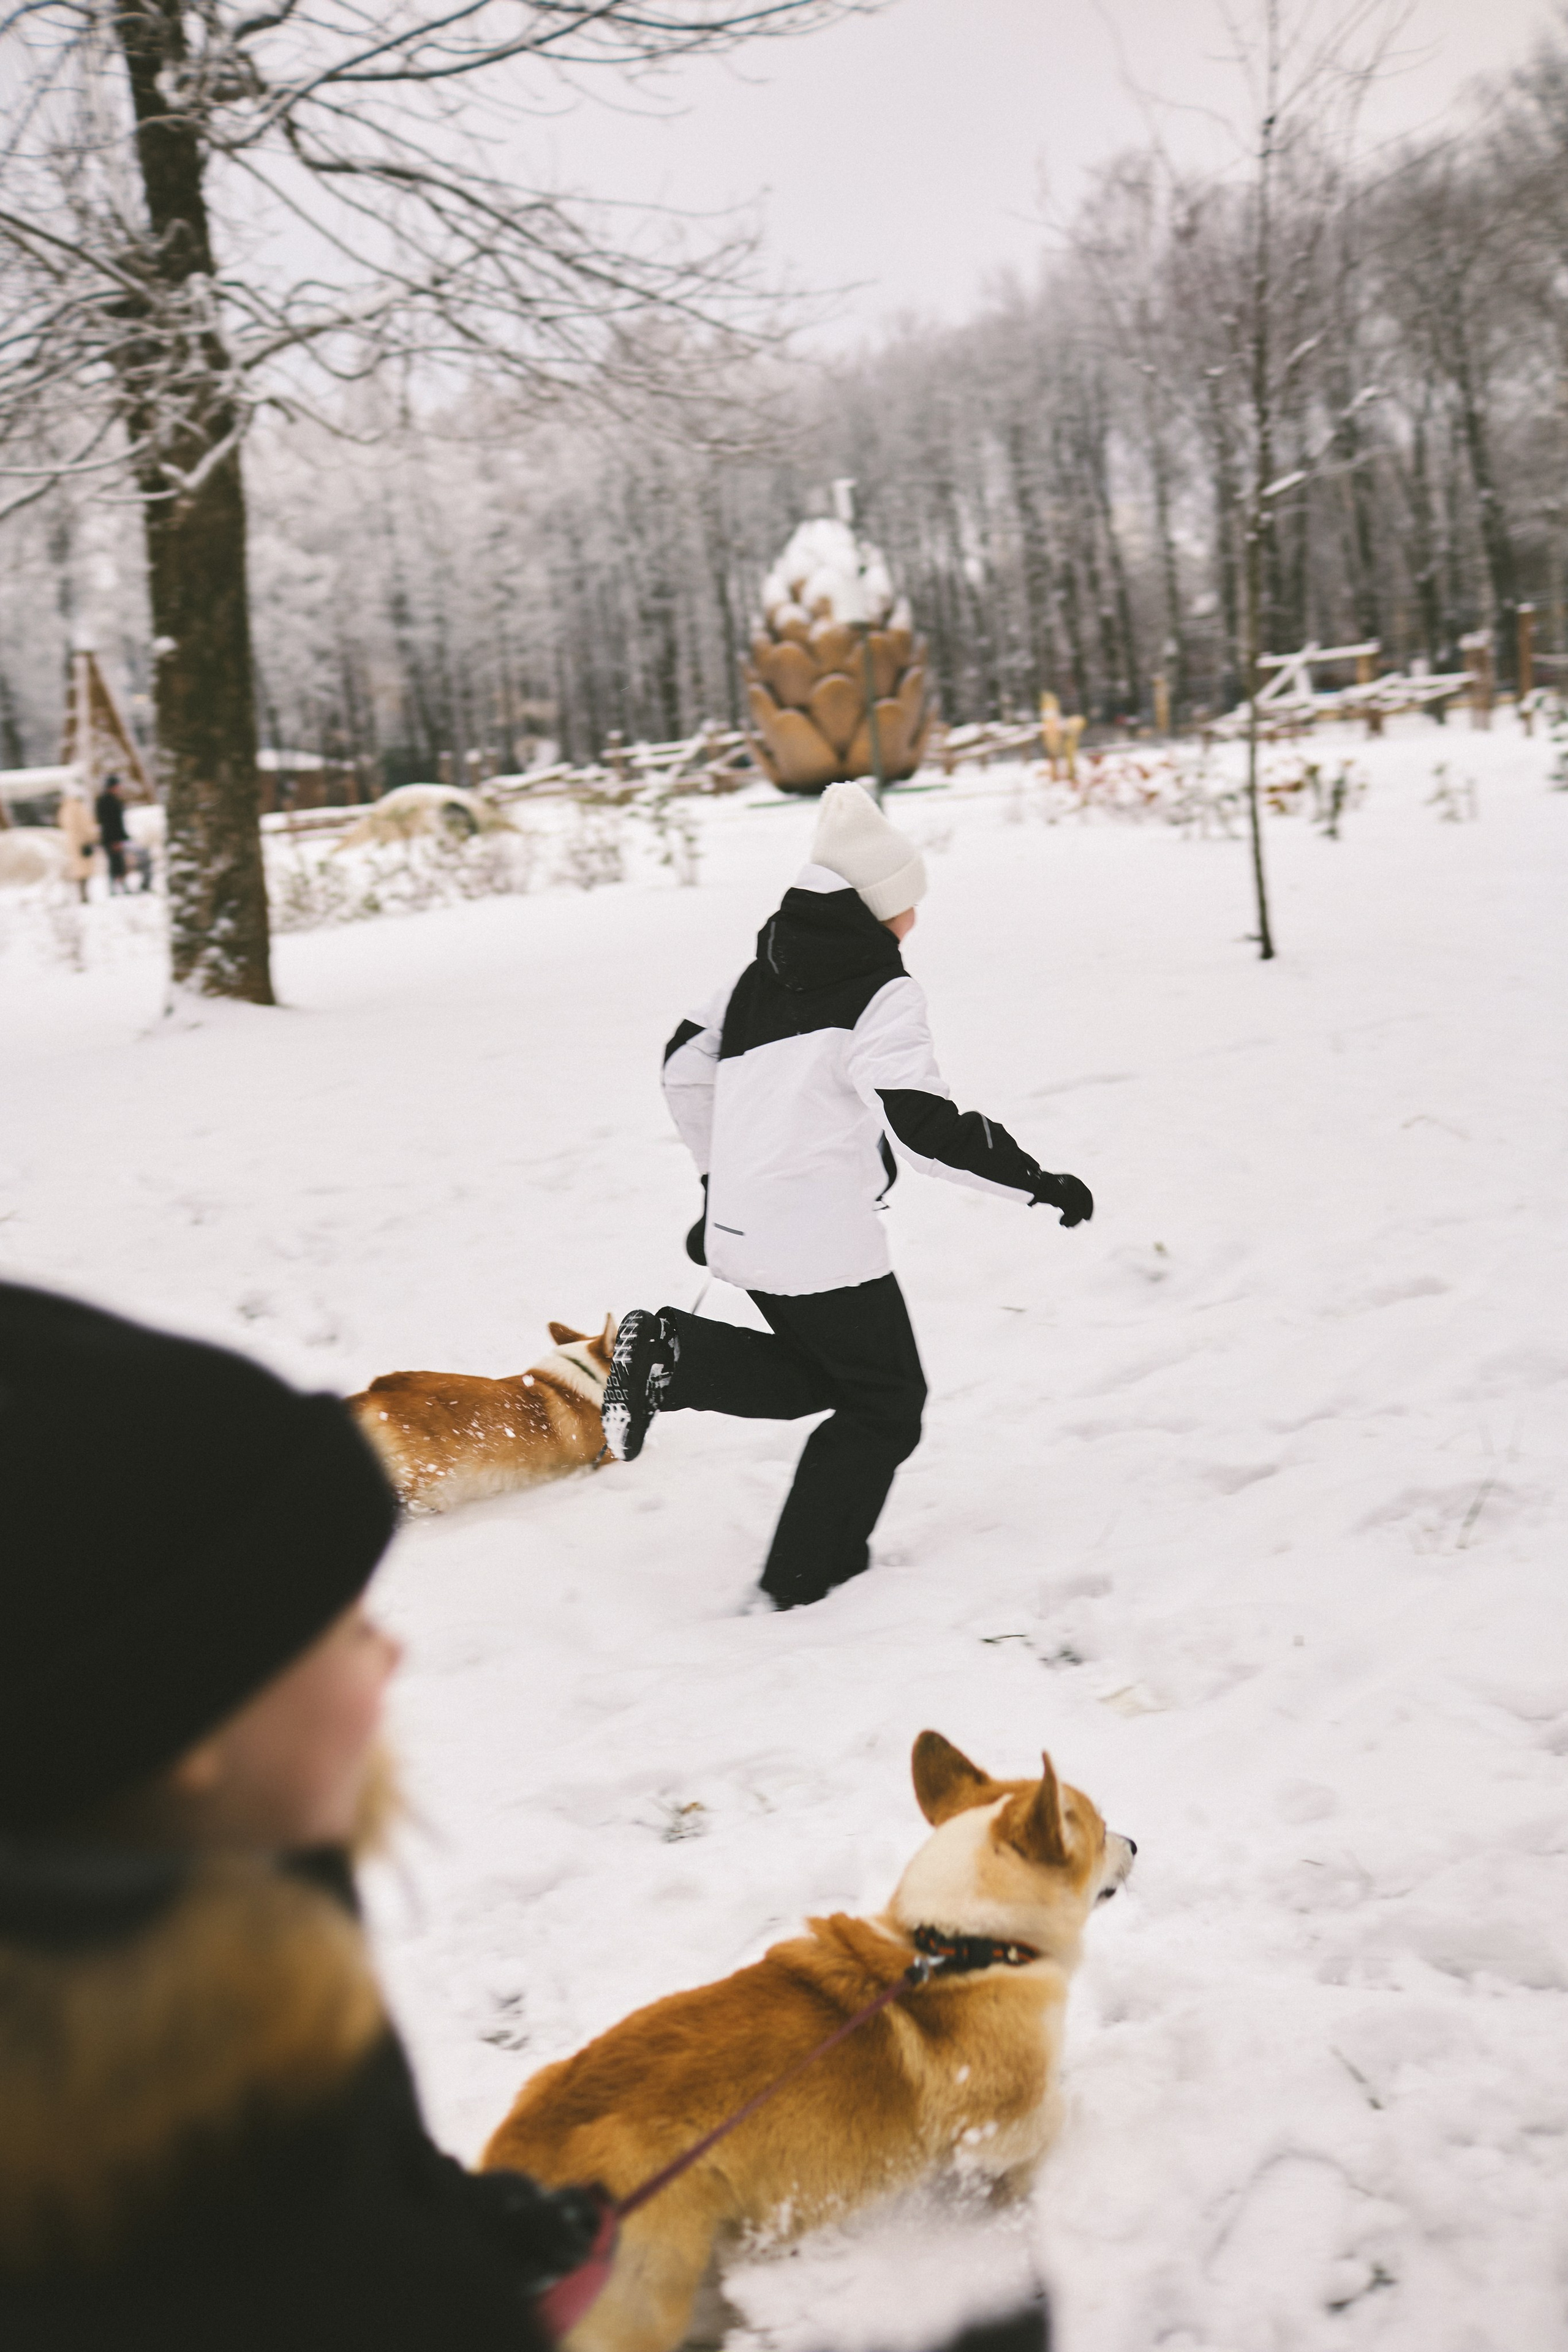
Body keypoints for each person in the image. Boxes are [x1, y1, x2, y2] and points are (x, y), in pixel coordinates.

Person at [0, 1279, 609, 2351]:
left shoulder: (246, 1902)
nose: (390, 1652)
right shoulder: (152, 2262)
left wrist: (471, 2234)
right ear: (192, 1733)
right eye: (340, 1629)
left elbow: (350, 2151)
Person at [603, 780, 1093, 1612]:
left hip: (743, 1232)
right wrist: (1037, 1185)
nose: (914, 921)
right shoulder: (881, 992)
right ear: (874, 906)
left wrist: (717, 1177)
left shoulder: (755, 979)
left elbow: (682, 1064)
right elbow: (924, 1128)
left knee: (820, 1380)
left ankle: (677, 1357)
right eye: (907, 904)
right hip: (819, 1247)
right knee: (886, 1403)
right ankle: (805, 1578)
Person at [57, 782, 98, 903]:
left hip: (73, 843)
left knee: (79, 869)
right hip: (83, 842)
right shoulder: (78, 807)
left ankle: (82, 894)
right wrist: (92, 837)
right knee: (84, 870)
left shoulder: (65, 808)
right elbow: (86, 824)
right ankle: (84, 894)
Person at [94, 771, 132, 891]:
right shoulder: (107, 802)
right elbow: (109, 823)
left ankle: (119, 886)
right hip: (111, 838)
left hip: (114, 837)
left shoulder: (112, 800)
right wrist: (115, 840)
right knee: (116, 863)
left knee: (118, 862)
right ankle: (116, 887)